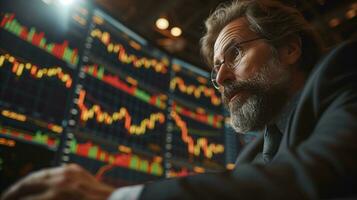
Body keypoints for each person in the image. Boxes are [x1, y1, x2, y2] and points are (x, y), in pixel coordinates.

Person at [2, 0, 357, 199]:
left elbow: (318, 177)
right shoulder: (252, 155)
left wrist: (117, 198)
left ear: (290, 48)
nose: (220, 79)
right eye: (215, 69)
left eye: (234, 54)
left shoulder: (343, 74)